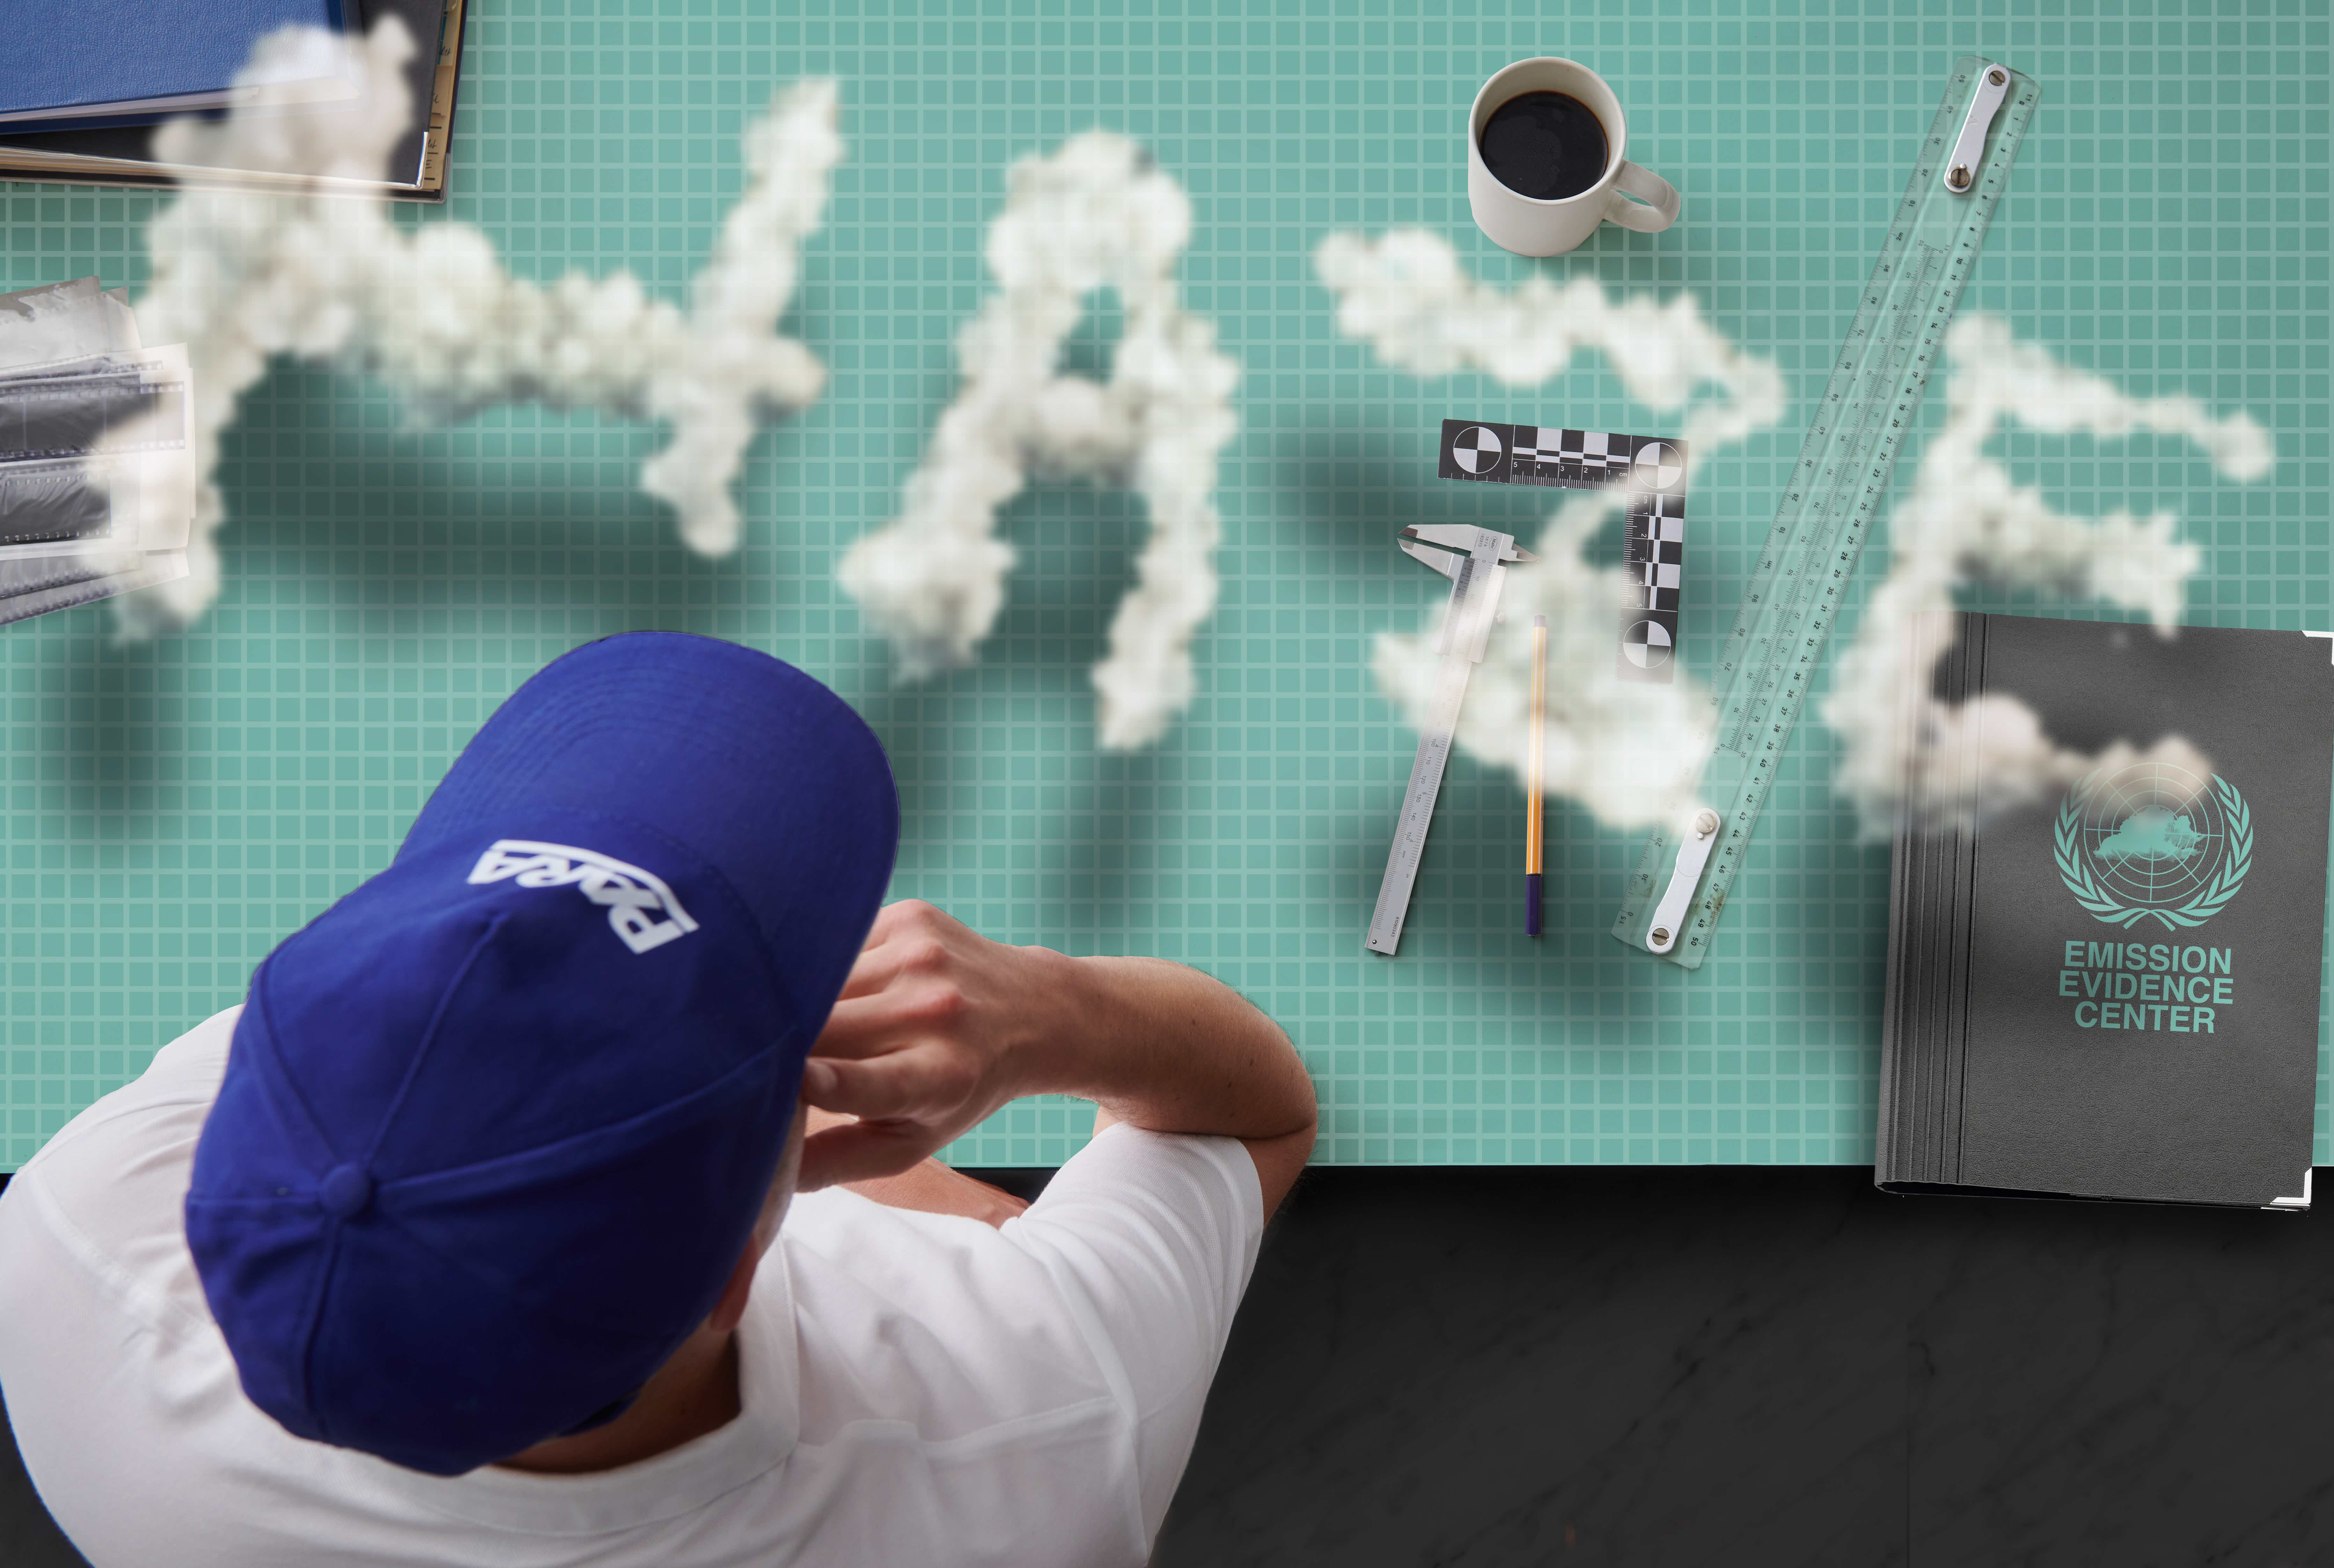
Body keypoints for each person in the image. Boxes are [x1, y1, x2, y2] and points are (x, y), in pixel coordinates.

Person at [0, 632, 1316, 1568]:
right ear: (751, 1259)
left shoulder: (72, 1247)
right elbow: (1252, 1115)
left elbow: (398, 1048)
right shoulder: (1026, 1422)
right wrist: (1046, 1013)